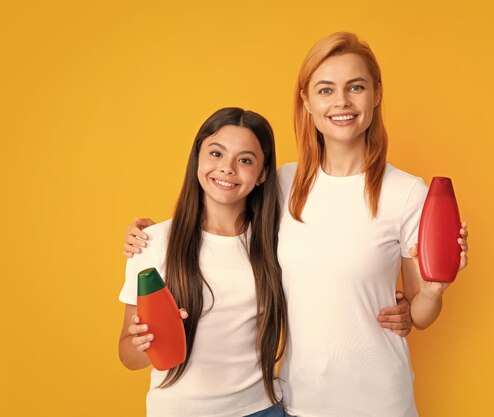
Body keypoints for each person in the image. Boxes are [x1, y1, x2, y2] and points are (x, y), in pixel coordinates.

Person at [124, 33, 468, 416]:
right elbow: (220, 215)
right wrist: (153, 238)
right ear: (306, 100)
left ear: (376, 94)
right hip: (298, 401)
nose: (341, 102)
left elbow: (418, 316)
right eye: (325, 90)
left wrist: (433, 293)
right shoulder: (282, 185)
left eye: (356, 87)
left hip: (379, 400)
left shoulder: (407, 193)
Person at [118, 107, 291, 417]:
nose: (227, 168)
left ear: (263, 174)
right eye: (216, 153)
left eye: (245, 160)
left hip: (262, 408)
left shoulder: (277, 243)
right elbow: (128, 356)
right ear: (197, 157)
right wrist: (149, 340)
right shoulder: (152, 242)